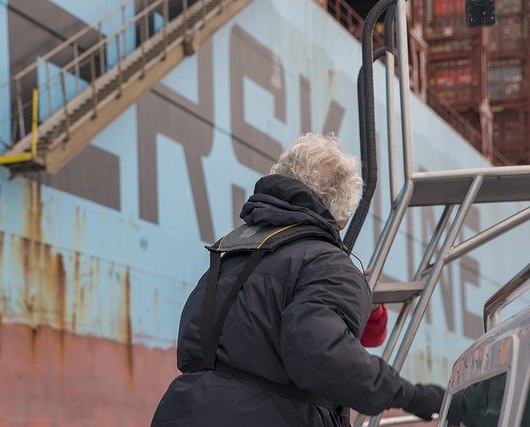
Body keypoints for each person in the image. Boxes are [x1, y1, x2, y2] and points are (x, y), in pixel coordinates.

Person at [151, 133, 444, 427]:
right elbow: (322, 355)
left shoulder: (231, 254)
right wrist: (415, 396)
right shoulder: (329, 264)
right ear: (341, 216)